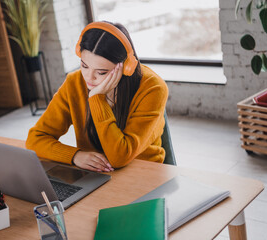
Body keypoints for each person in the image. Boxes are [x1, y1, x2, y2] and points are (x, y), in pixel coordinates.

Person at [26, 21, 168, 172]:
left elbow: (120, 157)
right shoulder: (74, 82)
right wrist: (75, 155)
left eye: (101, 72)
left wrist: (97, 99)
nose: (89, 78)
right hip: (95, 172)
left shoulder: (153, 88)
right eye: (84, 66)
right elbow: (35, 139)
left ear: (127, 67)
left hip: (143, 171)